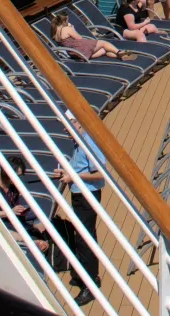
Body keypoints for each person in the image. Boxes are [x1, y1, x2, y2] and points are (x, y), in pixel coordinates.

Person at [50, 118, 107, 288]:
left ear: (79, 123)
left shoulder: (89, 143)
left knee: (85, 238)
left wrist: (73, 177)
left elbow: (100, 173)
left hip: (87, 196)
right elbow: (80, 167)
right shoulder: (78, 142)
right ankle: (82, 275)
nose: (65, 129)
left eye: (68, 124)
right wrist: (66, 172)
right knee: (80, 236)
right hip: (79, 195)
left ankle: (91, 282)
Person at [48, 11, 136, 62]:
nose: (68, 21)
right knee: (104, 43)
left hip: (75, 54)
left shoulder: (54, 30)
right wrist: (72, 28)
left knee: (104, 50)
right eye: (67, 20)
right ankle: (119, 52)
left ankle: (122, 57)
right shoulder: (67, 29)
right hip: (81, 49)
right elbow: (79, 38)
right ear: (64, 21)